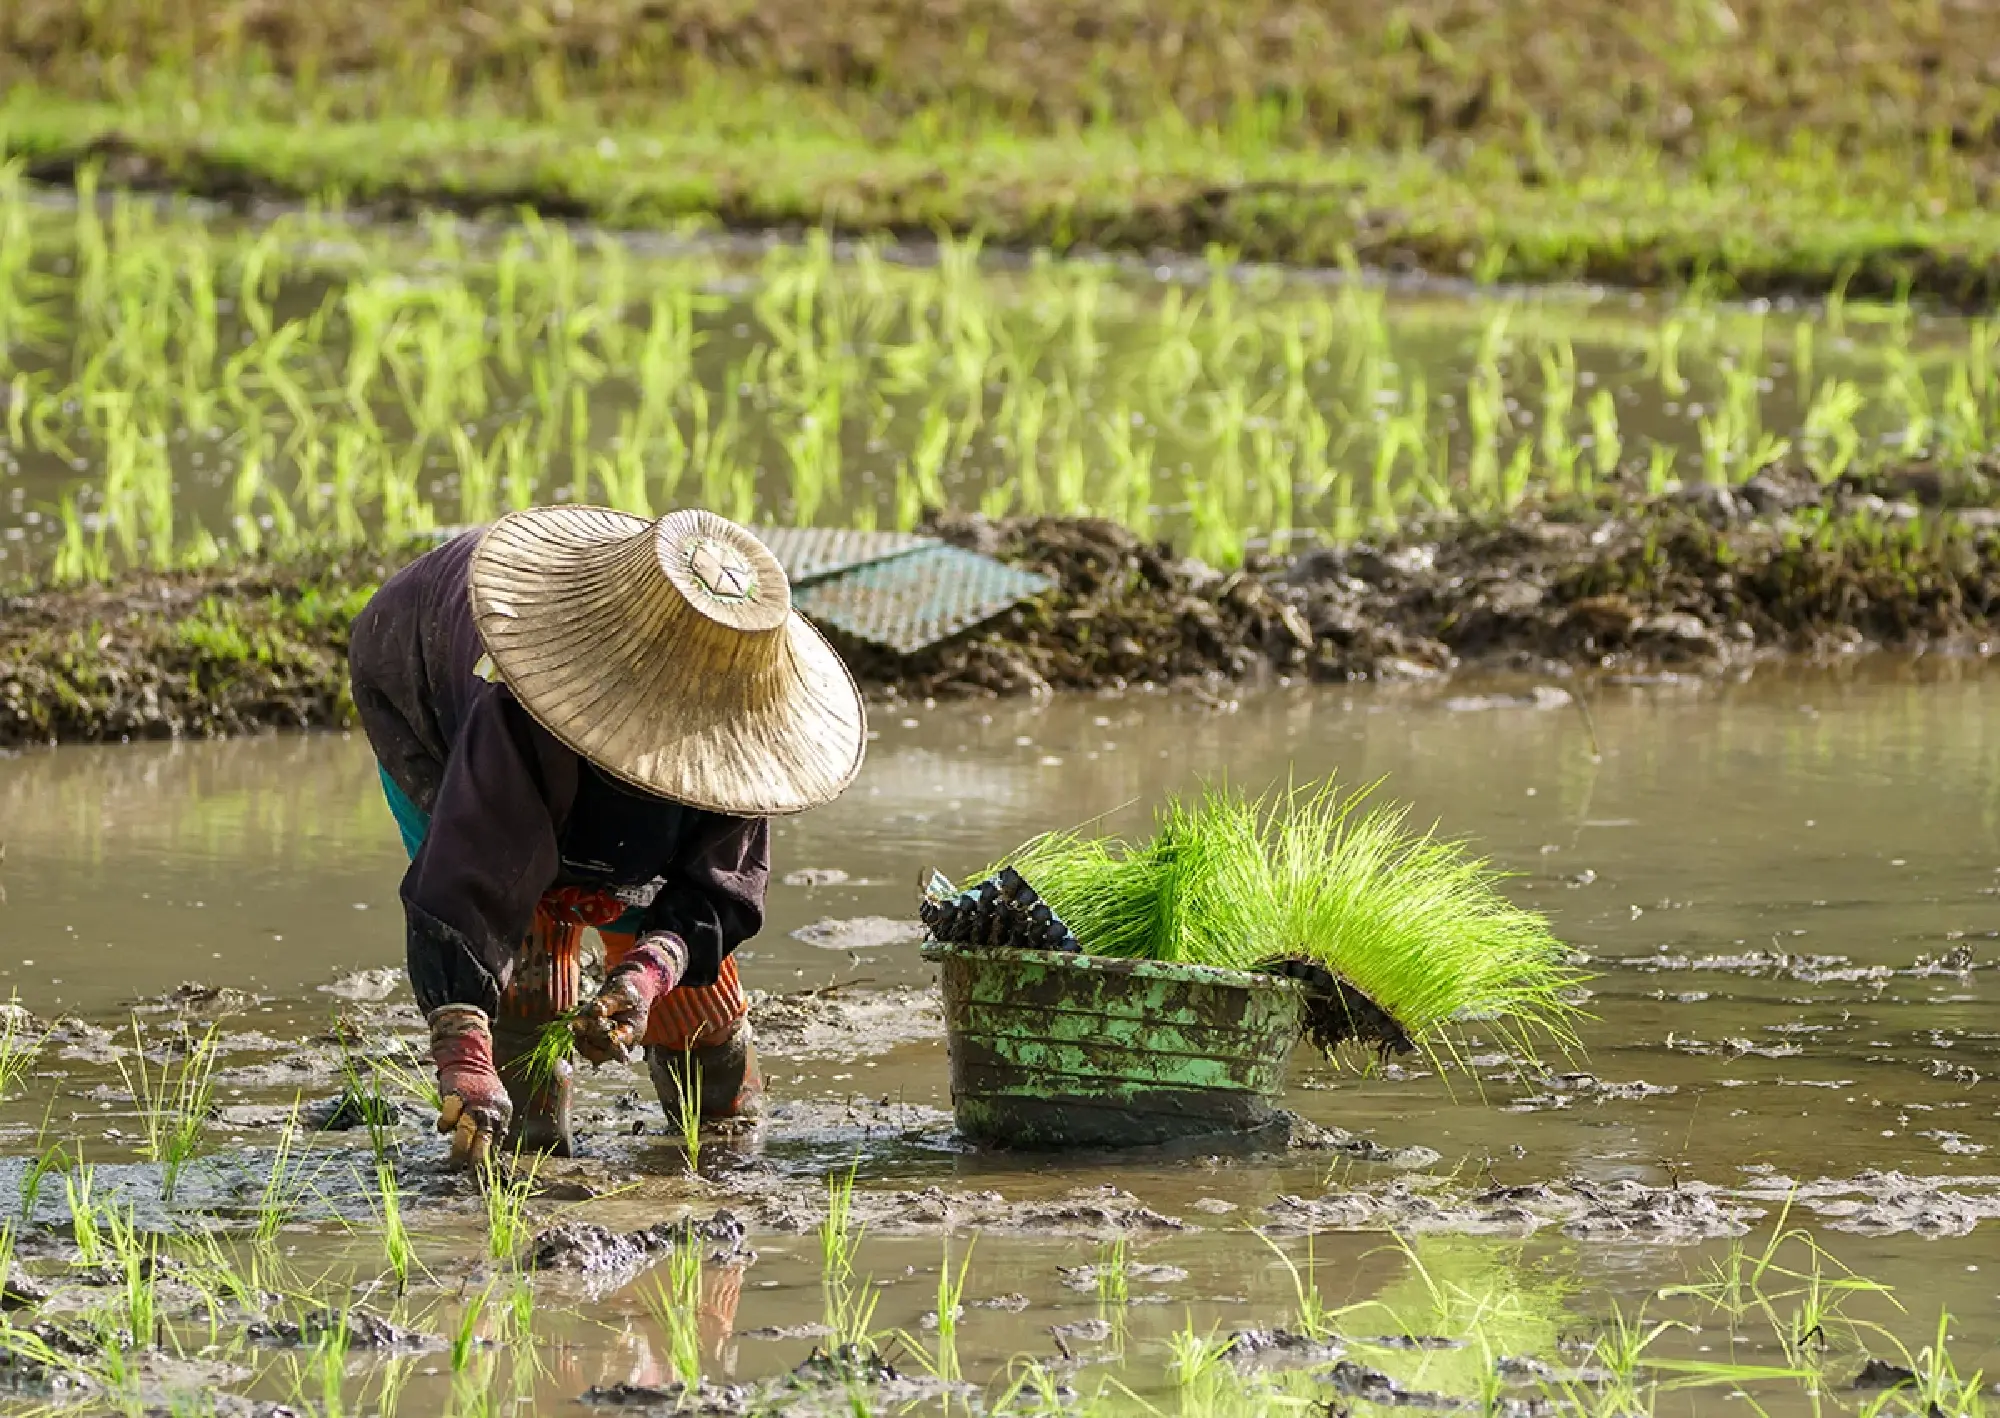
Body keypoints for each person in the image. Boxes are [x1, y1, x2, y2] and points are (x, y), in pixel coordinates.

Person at [347, 506, 866, 1166]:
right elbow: (469, 883)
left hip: (602, 763)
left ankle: (722, 1145)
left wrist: (647, 976)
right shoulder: (513, 709)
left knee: (701, 1022)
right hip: (423, 678)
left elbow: (715, 889)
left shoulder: (743, 732)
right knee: (529, 980)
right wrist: (461, 1045)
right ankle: (525, 1160)